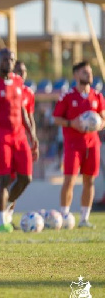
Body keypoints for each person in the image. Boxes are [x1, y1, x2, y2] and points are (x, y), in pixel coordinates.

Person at [0, 49, 38, 232]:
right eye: (5, 59)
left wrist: (31, 134)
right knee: (2, 179)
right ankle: (2, 220)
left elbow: (23, 111)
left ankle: (3, 207)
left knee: (26, 178)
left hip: (19, 136)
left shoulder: (19, 82)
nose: (8, 62)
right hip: (0, 136)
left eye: (11, 59)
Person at [51, 61, 105, 228]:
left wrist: (97, 123)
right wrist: (71, 123)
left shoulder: (97, 96)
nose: (88, 74)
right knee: (70, 180)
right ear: (76, 75)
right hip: (73, 145)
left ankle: (84, 218)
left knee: (89, 181)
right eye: (84, 72)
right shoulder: (67, 96)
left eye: (89, 72)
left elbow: (103, 119)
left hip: (92, 144)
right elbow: (57, 118)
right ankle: (65, 215)